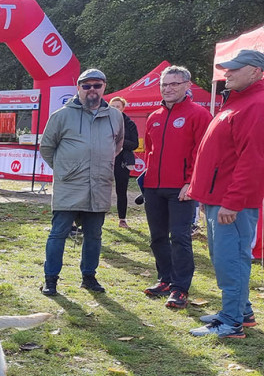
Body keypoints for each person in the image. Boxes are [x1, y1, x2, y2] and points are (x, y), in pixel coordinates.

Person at [188, 49, 264, 338]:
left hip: (231, 202)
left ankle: (231, 322)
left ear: (256, 72)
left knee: (231, 260)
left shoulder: (255, 105)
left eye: (235, 68)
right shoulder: (239, 102)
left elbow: (253, 161)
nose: (227, 73)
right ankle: (240, 312)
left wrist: (232, 202)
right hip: (217, 197)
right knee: (226, 258)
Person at [39, 69, 124, 296]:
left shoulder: (115, 116)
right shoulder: (61, 116)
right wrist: (66, 168)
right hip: (69, 184)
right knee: (58, 234)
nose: (91, 90)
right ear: (78, 88)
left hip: (99, 185)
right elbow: (47, 148)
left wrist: (101, 164)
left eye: (96, 85)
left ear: (104, 87)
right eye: (86, 86)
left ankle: (89, 277)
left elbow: (118, 144)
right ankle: (51, 279)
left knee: (94, 235)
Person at [140, 65, 212, 310]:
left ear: (187, 85)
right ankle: (165, 279)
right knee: (157, 237)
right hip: (153, 187)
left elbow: (203, 152)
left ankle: (180, 289)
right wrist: (146, 179)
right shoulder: (154, 116)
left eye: (174, 84)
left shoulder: (198, 114)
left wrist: (191, 182)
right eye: (165, 84)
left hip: (181, 188)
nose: (168, 88)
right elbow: (149, 150)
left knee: (180, 238)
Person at [108, 97, 139, 228]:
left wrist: (119, 141)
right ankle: (96, 218)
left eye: (118, 106)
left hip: (122, 160)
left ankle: (122, 219)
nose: (115, 109)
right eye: (112, 106)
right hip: (105, 159)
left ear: (123, 108)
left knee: (121, 190)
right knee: (100, 189)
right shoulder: (103, 121)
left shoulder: (129, 124)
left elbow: (135, 144)